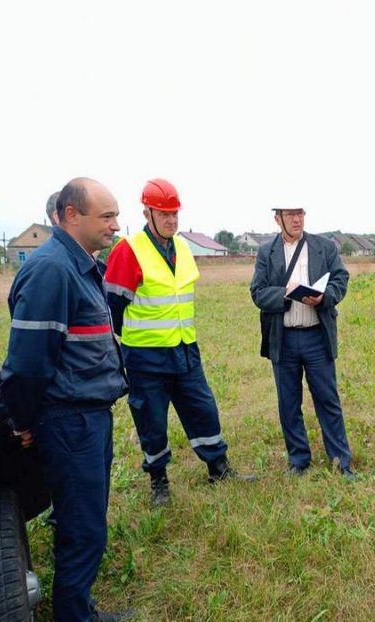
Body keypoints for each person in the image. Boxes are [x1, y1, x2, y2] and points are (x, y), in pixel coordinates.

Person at [0, 178, 132, 621]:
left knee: (83, 521)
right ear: (71, 214)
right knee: (83, 528)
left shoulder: (82, 265)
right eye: (107, 216)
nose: (116, 225)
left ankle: (79, 608)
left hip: (88, 418)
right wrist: (21, 421)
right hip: (69, 420)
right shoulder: (52, 270)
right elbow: (27, 364)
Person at [104, 179, 252, 507]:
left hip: (186, 349)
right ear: (147, 213)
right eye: (164, 214)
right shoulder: (128, 250)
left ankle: (218, 467)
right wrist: (132, 342)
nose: (171, 220)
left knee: (203, 410)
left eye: (175, 214)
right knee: (151, 420)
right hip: (146, 356)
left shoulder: (183, 247)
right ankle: (158, 480)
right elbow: (112, 306)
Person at [250, 207, 354, 479]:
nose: (297, 219)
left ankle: (341, 462)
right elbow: (257, 292)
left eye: (300, 214)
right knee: (288, 402)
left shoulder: (324, 247)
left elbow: (341, 278)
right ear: (277, 218)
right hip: (283, 339)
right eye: (290, 215)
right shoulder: (266, 252)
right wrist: (283, 294)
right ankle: (299, 461)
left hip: (316, 337)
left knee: (328, 400)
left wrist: (325, 296)